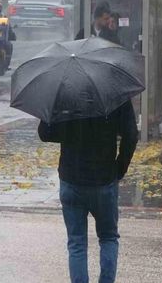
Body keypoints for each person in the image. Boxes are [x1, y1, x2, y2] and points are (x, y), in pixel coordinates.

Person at [38, 101, 138, 283]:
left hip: (71, 178)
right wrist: (119, 168)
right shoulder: (115, 92)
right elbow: (131, 135)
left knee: (77, 243)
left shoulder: (66, 91)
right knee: (108, 237)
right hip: (104, 179)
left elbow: (45, 133)